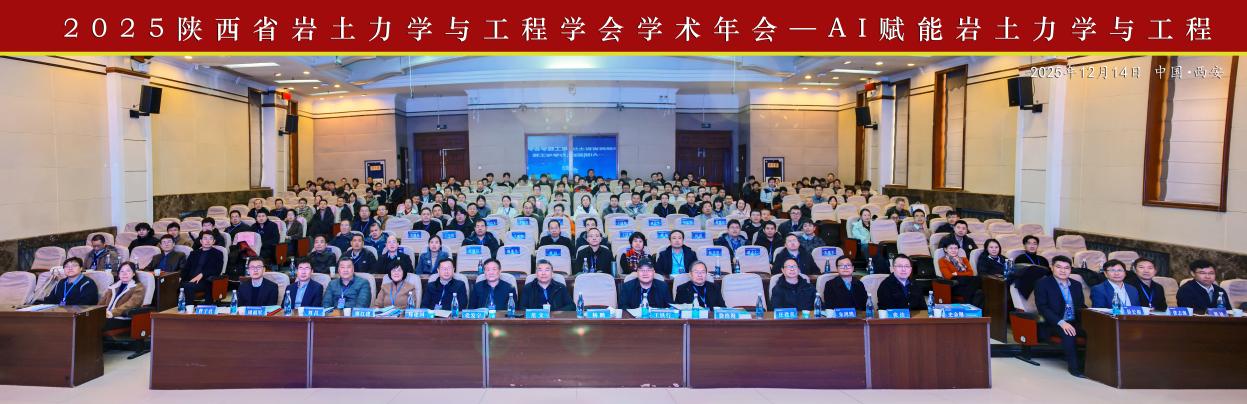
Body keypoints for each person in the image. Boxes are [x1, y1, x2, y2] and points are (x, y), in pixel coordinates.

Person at [1033, 256, 1087, 377]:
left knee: (1095, 331)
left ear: (1070, 270)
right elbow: (1043, 307)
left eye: (1067, 268)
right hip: (1053, 322)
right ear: (1052, 268)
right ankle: (1074, 369)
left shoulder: (1076, 284)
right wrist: (1062, 323)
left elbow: (1081, 305)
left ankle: (1092, 366)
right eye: (1059, 267)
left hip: (1074, 321)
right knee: (1069, 333)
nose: (1063, 270)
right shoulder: (1042, 283)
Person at [99, 262, 145, 332]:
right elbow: (101, 302)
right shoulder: (113, 286)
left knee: (96, 324)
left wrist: (112, 313)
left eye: (128, 271)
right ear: (119, 274)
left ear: (133, 273)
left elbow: (131, 304)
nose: (124, 274)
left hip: (121, 318)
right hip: (106, 316)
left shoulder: (138, 287)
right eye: (122, 271)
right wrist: (96, 313)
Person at [182, 232, 224, 302]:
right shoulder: (194, 253)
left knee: (187, 286)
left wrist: (202, 274)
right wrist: (180, 277)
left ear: (214, 241)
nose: (208, 241)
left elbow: (217, 270)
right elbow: (186, 268)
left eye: (210, 239)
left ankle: (189, 307)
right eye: (205, 238)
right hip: (190, 279)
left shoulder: (218, 254)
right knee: (173, 284)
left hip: (206, 281)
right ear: (201, 241)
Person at [938, 238, 981, 306]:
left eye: (956, 248)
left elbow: (971, 273)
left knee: (979, 290)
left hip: (967, 283)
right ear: (945, 249)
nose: (953, 250)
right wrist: (963, 274)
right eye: (951, 248)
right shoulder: (942, 260)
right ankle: (969, 306)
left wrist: (956, 273)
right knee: (975, 283)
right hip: (955, 284)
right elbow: (948, 276)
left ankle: (970, 307)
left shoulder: (964, 259)